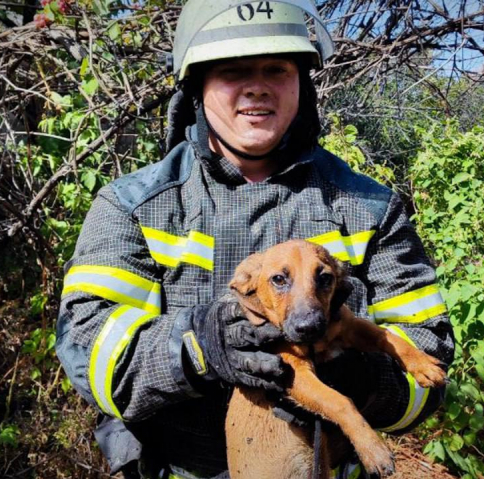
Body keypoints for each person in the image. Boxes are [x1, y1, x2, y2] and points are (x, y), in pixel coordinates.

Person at [55, 2, 454, 478]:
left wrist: (362, 377)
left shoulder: (367, 207)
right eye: (233, 70)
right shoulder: (135, 207)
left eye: (276, 68)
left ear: (301, 84)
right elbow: (92, 359)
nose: (257, 85)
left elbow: (429, 365)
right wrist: (200, 344)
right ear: (197, 86)